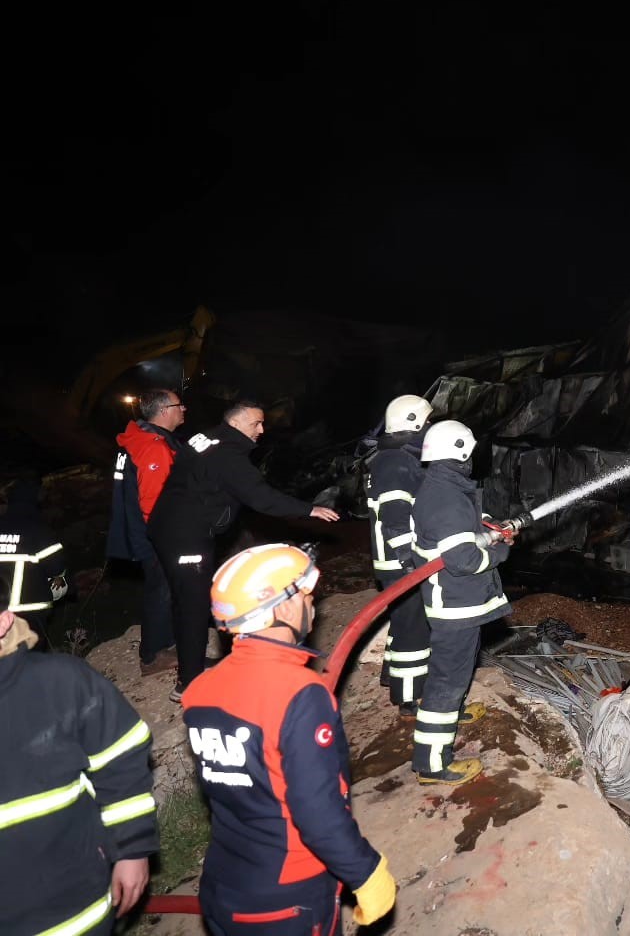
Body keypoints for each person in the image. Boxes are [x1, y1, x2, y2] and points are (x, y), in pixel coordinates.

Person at [182, 543, 395, 935]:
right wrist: (365, 872)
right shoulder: (299, 694)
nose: (313, 605)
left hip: (224, 887)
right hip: (288, 900)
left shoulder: (200, 690)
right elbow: (316, 812)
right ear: (280, 608)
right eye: (305, 595)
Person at [149, 399, 341, 701]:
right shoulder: (227, 455)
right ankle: (188, 683)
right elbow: (261, 498)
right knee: (194, 604)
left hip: (170, 526)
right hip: (185, 536)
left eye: (263, 423)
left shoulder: (207, 437)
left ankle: (193, 662)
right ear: (235, 423)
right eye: (256, 424)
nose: (262, 430)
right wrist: (309, 510)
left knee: (187, 598)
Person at [0, 583, 158, 935]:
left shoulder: (60, 681)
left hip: (78, 905)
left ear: (4, 621)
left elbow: (121, 758)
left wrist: (132, 849)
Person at [409, 420, 513, 786]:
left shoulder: (443, 485)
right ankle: (433, 764)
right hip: (455, 606)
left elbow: (463, 525)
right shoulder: (447, 498)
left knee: (452, 674)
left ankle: (449, 713)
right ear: (463, 451)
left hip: (455, 602)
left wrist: (490, 526)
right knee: (446, 680)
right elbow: (465, 560)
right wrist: (499, 551)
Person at [107, 388, 187, 675]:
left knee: (160, 589)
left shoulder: (135, 439)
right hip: (155, 535)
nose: (184, 409)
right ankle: (153, 656)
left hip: (139, 531)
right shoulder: (153, 446)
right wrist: (176, 536)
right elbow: (155, 503)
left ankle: (162, 644)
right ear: (165, 411)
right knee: (163, 590)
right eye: (180, 405)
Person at [363, 394, 433, 714]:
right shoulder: (397, 462)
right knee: (413, 626)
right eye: (427, 422)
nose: (429, 427)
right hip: (399, 559)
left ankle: (392, 676)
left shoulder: (391, 457)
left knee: (404, 620)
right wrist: (409, 558)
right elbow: (394, 515)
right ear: (414, 424)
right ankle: (408, 698)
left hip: (393, 558)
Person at [0, 474, 67, 642]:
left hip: (1, 610)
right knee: (28, 659)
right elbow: (56, 567)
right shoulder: (39, 530)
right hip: (30, 610)